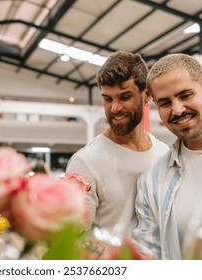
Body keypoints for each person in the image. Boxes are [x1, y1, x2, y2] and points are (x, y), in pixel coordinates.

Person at [133, 53, 202, 259]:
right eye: (165, 103)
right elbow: (149, 254)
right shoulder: (152, 182)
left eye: (185, 96)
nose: (177, 109)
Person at [66, 51, 169, 234]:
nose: (115, 108)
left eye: (124, 97)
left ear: (147, 95)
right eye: (108, 99)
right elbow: (73, 238)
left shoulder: (163, 153)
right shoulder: (84, 162)